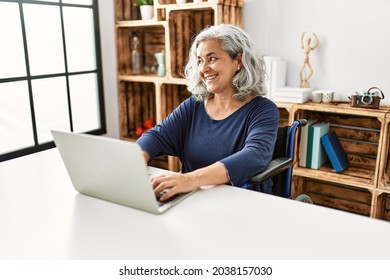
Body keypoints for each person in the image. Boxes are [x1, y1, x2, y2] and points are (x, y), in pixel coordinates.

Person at [136, 24, 279, 201]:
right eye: (200, 61)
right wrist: (137, 160)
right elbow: (157, 136)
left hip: (241, 204)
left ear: (238, 61)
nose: (203, 69)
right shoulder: (193, 106)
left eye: (212, 59)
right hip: (192, 200)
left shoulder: (263, 110)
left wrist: (189, 179)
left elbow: (255, 155)